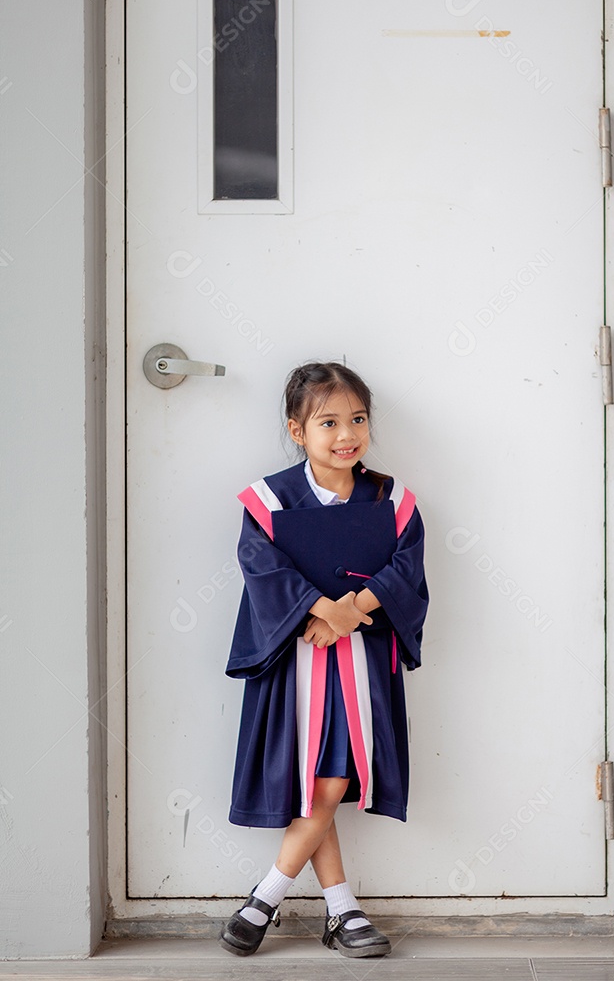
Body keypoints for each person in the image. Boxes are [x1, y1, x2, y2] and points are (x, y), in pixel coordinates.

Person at [219, 361, 429, 959]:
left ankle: (265, 895)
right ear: (296, 429)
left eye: (357, 419)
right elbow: (261, 567)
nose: (346, 434)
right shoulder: (267, 500)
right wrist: (317, 609)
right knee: (316, 778)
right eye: (328, 421)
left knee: (333, 774)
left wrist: (351, 608)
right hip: (297, 661)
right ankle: (342, 909)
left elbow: (407, 569)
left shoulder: (393, 500)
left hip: (362, 657)